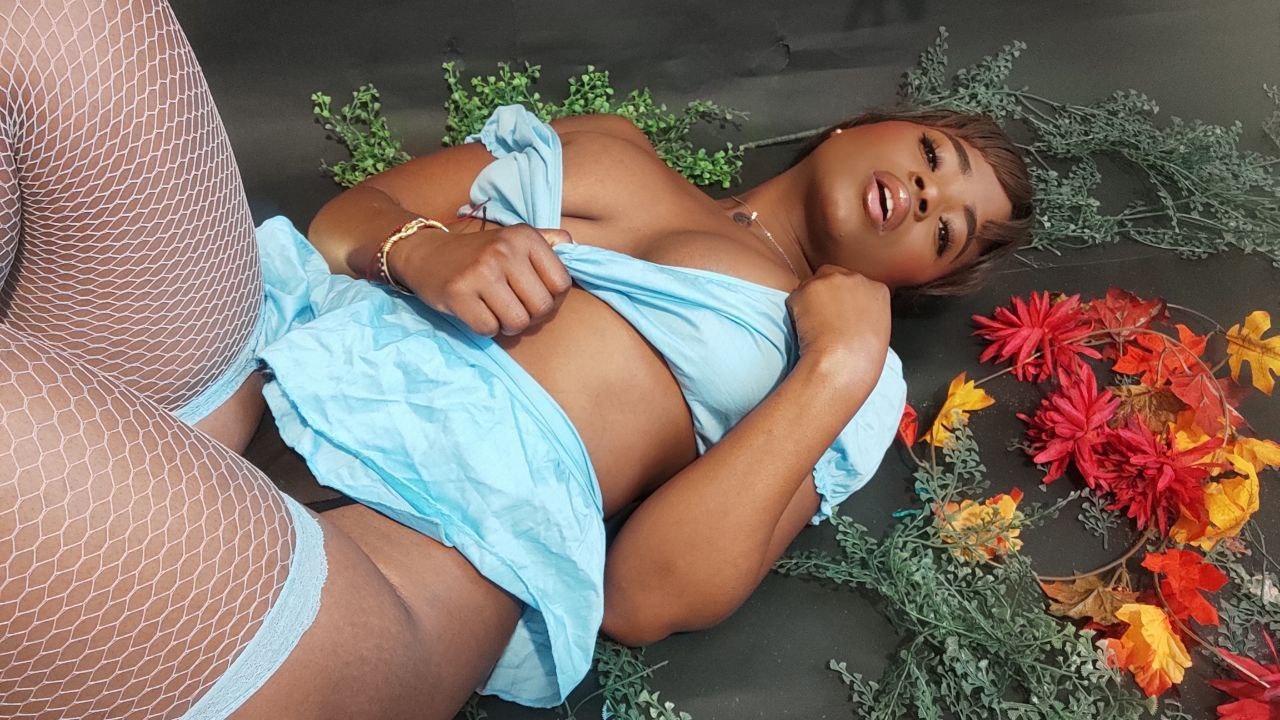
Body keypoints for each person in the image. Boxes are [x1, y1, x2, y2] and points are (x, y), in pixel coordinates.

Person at [0, 1, 1033, 718]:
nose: (927, 196)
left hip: (387, 569)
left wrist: (835, 369)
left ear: (914, 282)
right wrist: (425, 251)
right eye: (931, 158)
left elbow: (645, 598)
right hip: (259, 373)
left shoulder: (842, 365)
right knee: (67, 25)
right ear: (863, 125)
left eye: (946, 230)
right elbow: (351, 222)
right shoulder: (609, 147)